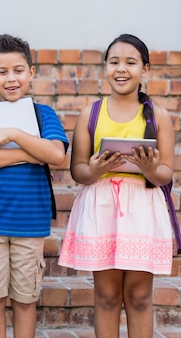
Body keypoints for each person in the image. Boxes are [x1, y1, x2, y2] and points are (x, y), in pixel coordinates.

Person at [59, 34, 174, 338]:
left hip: (142, 208)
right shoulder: (91, 113)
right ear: (105, 68)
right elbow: (78, 171)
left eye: (130, 62)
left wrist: (150, 168)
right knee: (107, 297)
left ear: (144, 70)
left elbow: (166, 173)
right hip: (102, 208)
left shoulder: (159, 116)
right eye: (114, 62)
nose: (121, 69)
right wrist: (95, 168)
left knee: (138, 297)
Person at [0, 34, 68, 338]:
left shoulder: (42, 113)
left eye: (19, 70)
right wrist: (29, 154)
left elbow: (57, 154)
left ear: (31, 73)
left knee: (25, 300)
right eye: (3, 72)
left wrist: (14, 135)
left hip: (30, 223)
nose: (11, 78)